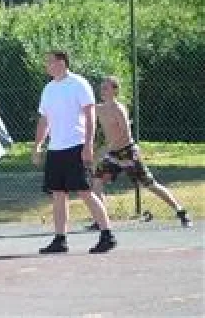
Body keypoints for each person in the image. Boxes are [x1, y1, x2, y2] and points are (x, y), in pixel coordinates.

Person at [32, 50, 116, 254]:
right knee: (58, 194)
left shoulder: (79, 84)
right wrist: (38, 145)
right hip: (55, 150)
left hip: (76, 146)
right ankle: (60, 240)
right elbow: (44, 119)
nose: (47, 65)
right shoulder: (48, 89)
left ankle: (107, 235)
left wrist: (88, 145)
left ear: (62, 63)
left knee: (84, 191)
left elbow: (90, 115)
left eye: (50, 61)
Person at [86, 75, 192, 229]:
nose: (102, 90)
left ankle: (181, 211)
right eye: (101, 88)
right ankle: (101, 221)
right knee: (96, 182)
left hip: (128, 153)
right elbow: (83, 112)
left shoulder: (119, 109)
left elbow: (125, 132)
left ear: (115, 90)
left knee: (150, 184)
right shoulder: (99, 109)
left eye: (106, 88)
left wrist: (106, 148)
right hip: (113, 155)